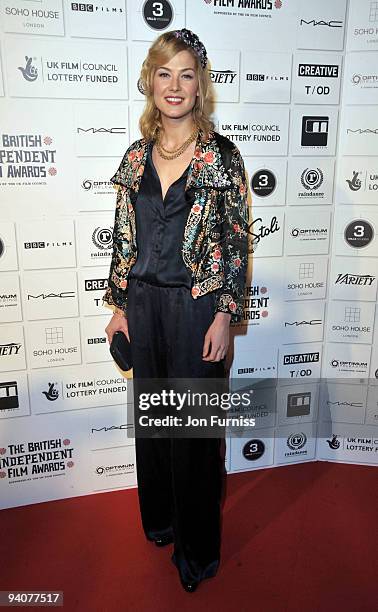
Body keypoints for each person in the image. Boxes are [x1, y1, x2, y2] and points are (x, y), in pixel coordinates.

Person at [103, 28, 249, 593]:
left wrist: (223, 316)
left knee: (192, 434)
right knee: (154, 427)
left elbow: (236, 242)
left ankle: (198, 555)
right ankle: (162, 522)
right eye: (165, 73)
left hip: (195, 309)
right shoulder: (136, 155)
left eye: (186, 74)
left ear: (200, 85)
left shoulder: (221, 156)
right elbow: (123, 235)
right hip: (143, 302)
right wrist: (119, 308)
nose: (175, 85)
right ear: (150, 82)